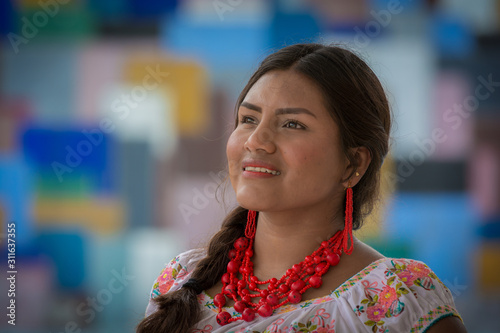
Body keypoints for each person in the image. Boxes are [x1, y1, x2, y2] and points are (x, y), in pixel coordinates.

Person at [136, 43, 467, 333]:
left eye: (292, 124)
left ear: (353, 164)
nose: (256, 141)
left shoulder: (396, 297)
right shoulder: (182, 279)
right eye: (248, 119)